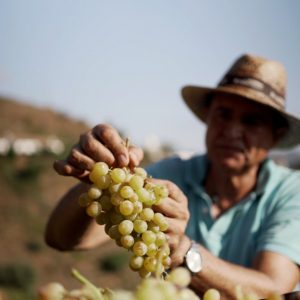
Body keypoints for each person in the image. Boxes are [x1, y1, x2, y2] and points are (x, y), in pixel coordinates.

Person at [45, 54, 300, 299]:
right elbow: (61, 239)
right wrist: (98, 182)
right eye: (223, 114)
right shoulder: (174, 173)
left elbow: (272, 292)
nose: (232, 131)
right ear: (209, 117)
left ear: (275, 136)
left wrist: (184, 251)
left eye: (251, 121)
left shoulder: (292, 192)